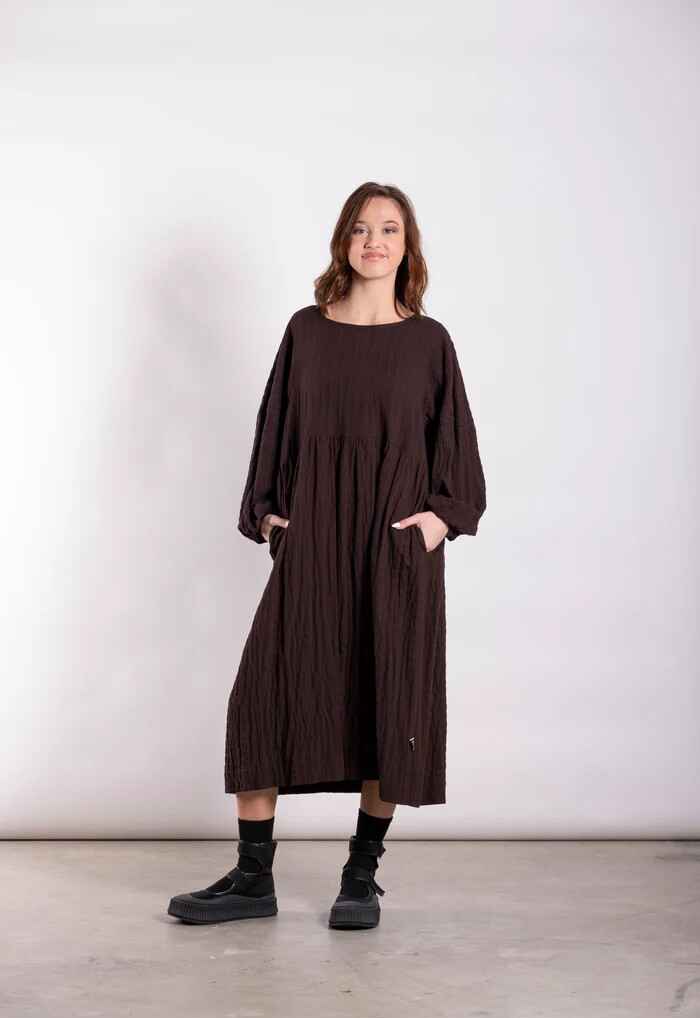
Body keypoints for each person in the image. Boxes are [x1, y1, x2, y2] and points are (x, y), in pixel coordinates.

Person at [168, 182, 487, 930]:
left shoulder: (429, 342)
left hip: (394, 552)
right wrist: (270, 519)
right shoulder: (306, 331)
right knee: (262, 700)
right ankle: (254, 879)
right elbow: (275, 429)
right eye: (361, 228)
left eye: (390, 229)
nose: (374, 241)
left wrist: (436, 523)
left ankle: (361, 874)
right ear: (343, 241)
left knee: (388, 705)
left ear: (408, 247)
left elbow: (459, 454)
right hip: (313, 546)